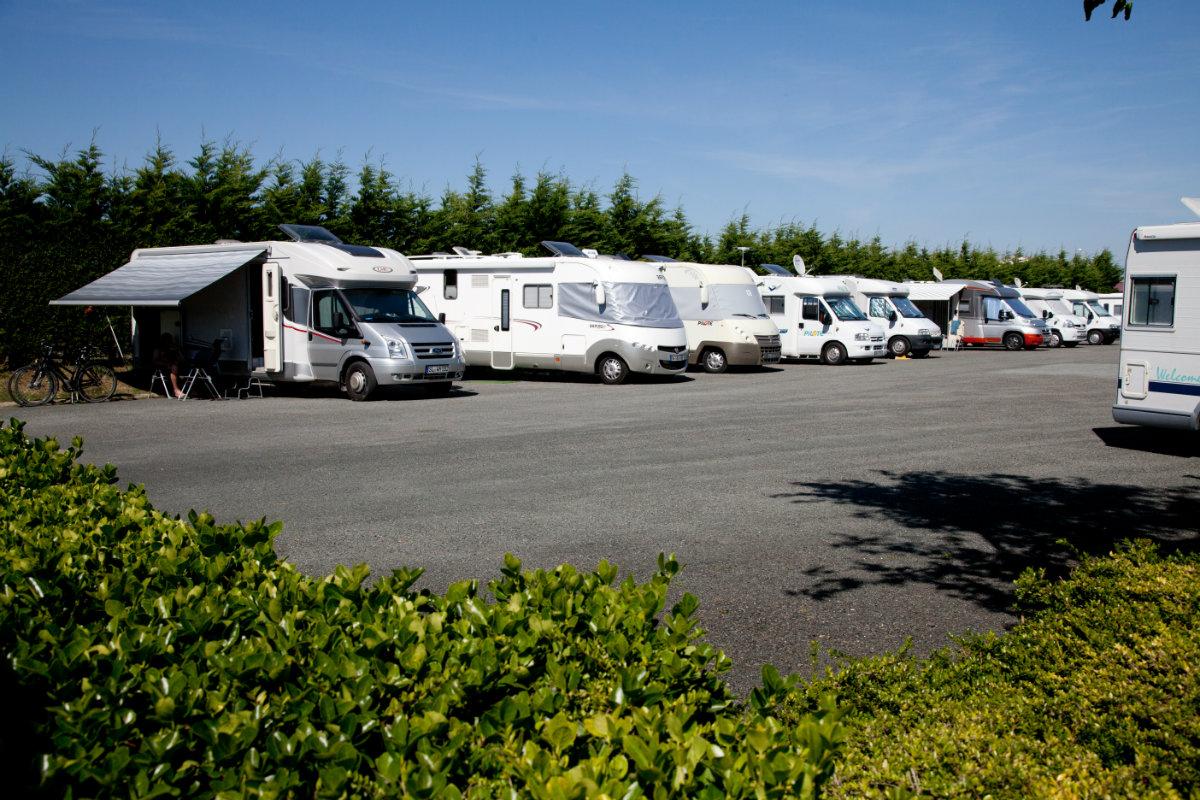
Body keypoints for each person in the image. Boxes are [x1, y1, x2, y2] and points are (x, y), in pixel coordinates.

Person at [152, 332, 184, 398]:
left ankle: (187, 389)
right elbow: (155, 360)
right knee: (174, 368)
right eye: (167, 340)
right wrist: (166, 364)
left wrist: (177, 351)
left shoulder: (173, 348)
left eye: (170, 340)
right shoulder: (159, 348)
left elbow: (181, 358)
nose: (169, 341)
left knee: (182, 368)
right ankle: (176, 390)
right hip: (163, 366)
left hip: (174, 365)